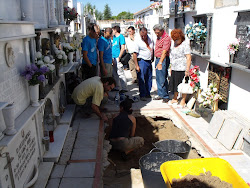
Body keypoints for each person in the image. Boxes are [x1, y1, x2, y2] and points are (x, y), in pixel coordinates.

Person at [169, 29, 191, 108]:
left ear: (181, 37)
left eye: (177, 39)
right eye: (174, 39)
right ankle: (175, 98)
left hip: (182, 67)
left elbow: (188, 57)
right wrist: (171, 67)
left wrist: (187, 69)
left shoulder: (185, 45)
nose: (175, 41)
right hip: (175, 67)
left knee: (183, 84)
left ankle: (183, 100)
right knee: (175, 84)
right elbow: (173, 56)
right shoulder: (174, 44)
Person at [133, 27, 154, 101]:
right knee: (142, 78)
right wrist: (136, 65)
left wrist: (152, 57)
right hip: (141, 61)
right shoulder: (137, 41)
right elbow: (134, 54)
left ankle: (147, 93)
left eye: (144, 35)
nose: (143, 37)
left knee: (149, 78)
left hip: (149, 61)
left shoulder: (150, 39)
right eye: (142, 35)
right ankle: (142, 94)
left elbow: (152, 49)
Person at [153, 24, 171, 103]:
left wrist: (160, 62)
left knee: (162, 78)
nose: (156, 34)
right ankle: (160, 94)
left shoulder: (166, 38)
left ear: (161, 31)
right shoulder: (159, 37)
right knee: (158, 77)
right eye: (155, 32)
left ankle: (165, 96)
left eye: (157, 32)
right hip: (157, 59)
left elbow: (164, 52)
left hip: (162, 60)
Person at [112, 25, 128, 93]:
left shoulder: (121, 37)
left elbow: (123, 47)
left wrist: (119, 57)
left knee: (120, 73)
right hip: (113, 57)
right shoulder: (114, 37)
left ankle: (124, 87)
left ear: (115, 30)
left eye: (113, 30)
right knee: (114, 73)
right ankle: (117, 86)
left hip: (117, 57)